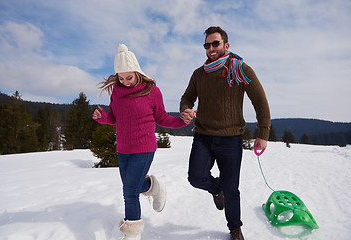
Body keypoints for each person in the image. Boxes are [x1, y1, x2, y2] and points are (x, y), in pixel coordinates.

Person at [180, 26, 271, 240]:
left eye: (215, 43)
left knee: (232, 190)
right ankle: (216, 189)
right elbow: (187, 97)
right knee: (195, 177)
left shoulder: (240, 69)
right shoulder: (198, 74)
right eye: (207, 45)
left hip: (230, 139)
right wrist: (185, 109)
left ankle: (235, 228)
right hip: (203, 135)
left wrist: (263, 133)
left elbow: (260, 101)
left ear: (226, 45)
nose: (211, 48)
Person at [93, 44, 190, 240]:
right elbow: (114, 117)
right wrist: (102, 117)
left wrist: (182, 121)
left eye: (129, 77)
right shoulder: (117, 93)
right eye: (121, 78)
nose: (125, 82)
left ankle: (132, 234)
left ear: (137, 72)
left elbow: (162, 118)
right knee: (134, 187)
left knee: (129, 191)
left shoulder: (152, 91)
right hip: (123, 149)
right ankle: (155, 188)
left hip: (143, 148)